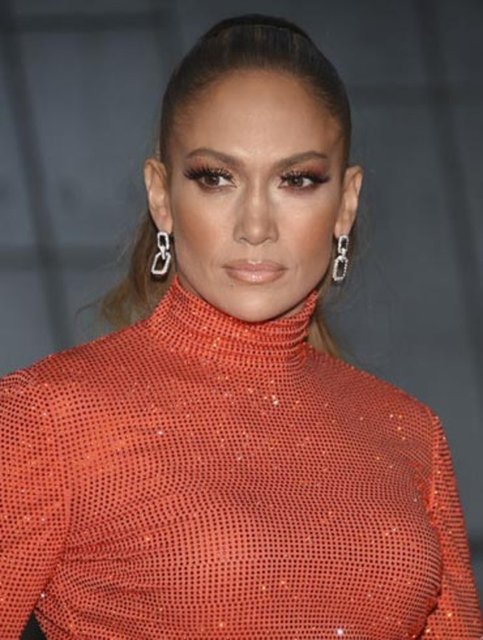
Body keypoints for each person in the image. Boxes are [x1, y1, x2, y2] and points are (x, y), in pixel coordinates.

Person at [1, 12, 481, 640]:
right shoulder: (46, 418)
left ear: (346, 203)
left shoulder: (410, 434)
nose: (256, 225)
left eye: (298, 180)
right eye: (216, 178)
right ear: (161, 196)